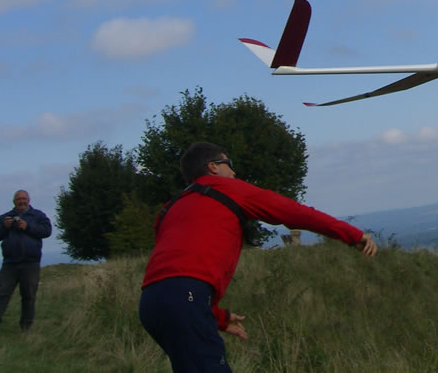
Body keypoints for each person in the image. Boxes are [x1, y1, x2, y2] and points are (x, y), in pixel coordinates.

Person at [139, 141, 377, 372]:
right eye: (229, 164)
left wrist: (218, 317)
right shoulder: (228, 189)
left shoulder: (169, 208)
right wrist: (352, 235)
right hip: (186, 297)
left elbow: (173, 278)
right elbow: (294, 212)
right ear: (213, 167)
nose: (234, 172)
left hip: (150, 304)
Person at [0, 189, 53, 335]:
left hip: (30, 263)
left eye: (24, 199)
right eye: (19, 199)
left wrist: (28, 227)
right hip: (10, 264)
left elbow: (47, 231)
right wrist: (4, 227)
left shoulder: (38, 216)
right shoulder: (5, 218)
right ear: (14, 202)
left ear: (29, 201)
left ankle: (26, 328)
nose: (21, 201)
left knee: (28, 296)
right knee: (2, 294)